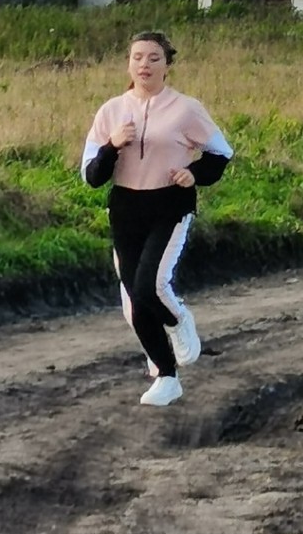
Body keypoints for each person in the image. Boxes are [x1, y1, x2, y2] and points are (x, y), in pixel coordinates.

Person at [80, 31, 233, 407]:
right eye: (137, 57)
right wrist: (112, 145)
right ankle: (166, 376)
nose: (144, 65)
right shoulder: (111, 111)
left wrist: (194, 173)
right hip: (125, 209)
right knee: (134, 301)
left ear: (167, 65)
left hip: (169, 205)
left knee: (151, 285)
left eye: (153, 58)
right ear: (128, 65)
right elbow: (91, 175)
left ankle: (178, 320)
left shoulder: (186, 109)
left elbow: (221, 153)